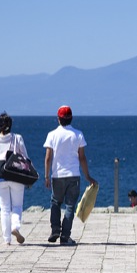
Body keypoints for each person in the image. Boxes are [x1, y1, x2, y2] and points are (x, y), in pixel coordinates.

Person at [44, 105, 97, 246]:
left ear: (58, 119)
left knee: (55, 202)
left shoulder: (52, 135)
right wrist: (88, 176)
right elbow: (82, 158)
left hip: (57, 175)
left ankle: (55, 230)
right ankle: (65, 236)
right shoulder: (78, 134)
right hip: (74, 175)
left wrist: (46, 176)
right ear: (71, 118)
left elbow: (48, 157)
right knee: (70, 206)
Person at [0, 113, 27, 245]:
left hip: (0, 178)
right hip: (16, 177)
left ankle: (7, 239)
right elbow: (25, 158)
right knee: (17, 206)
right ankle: (15, 227)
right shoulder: (18, 138)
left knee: (4, 208)